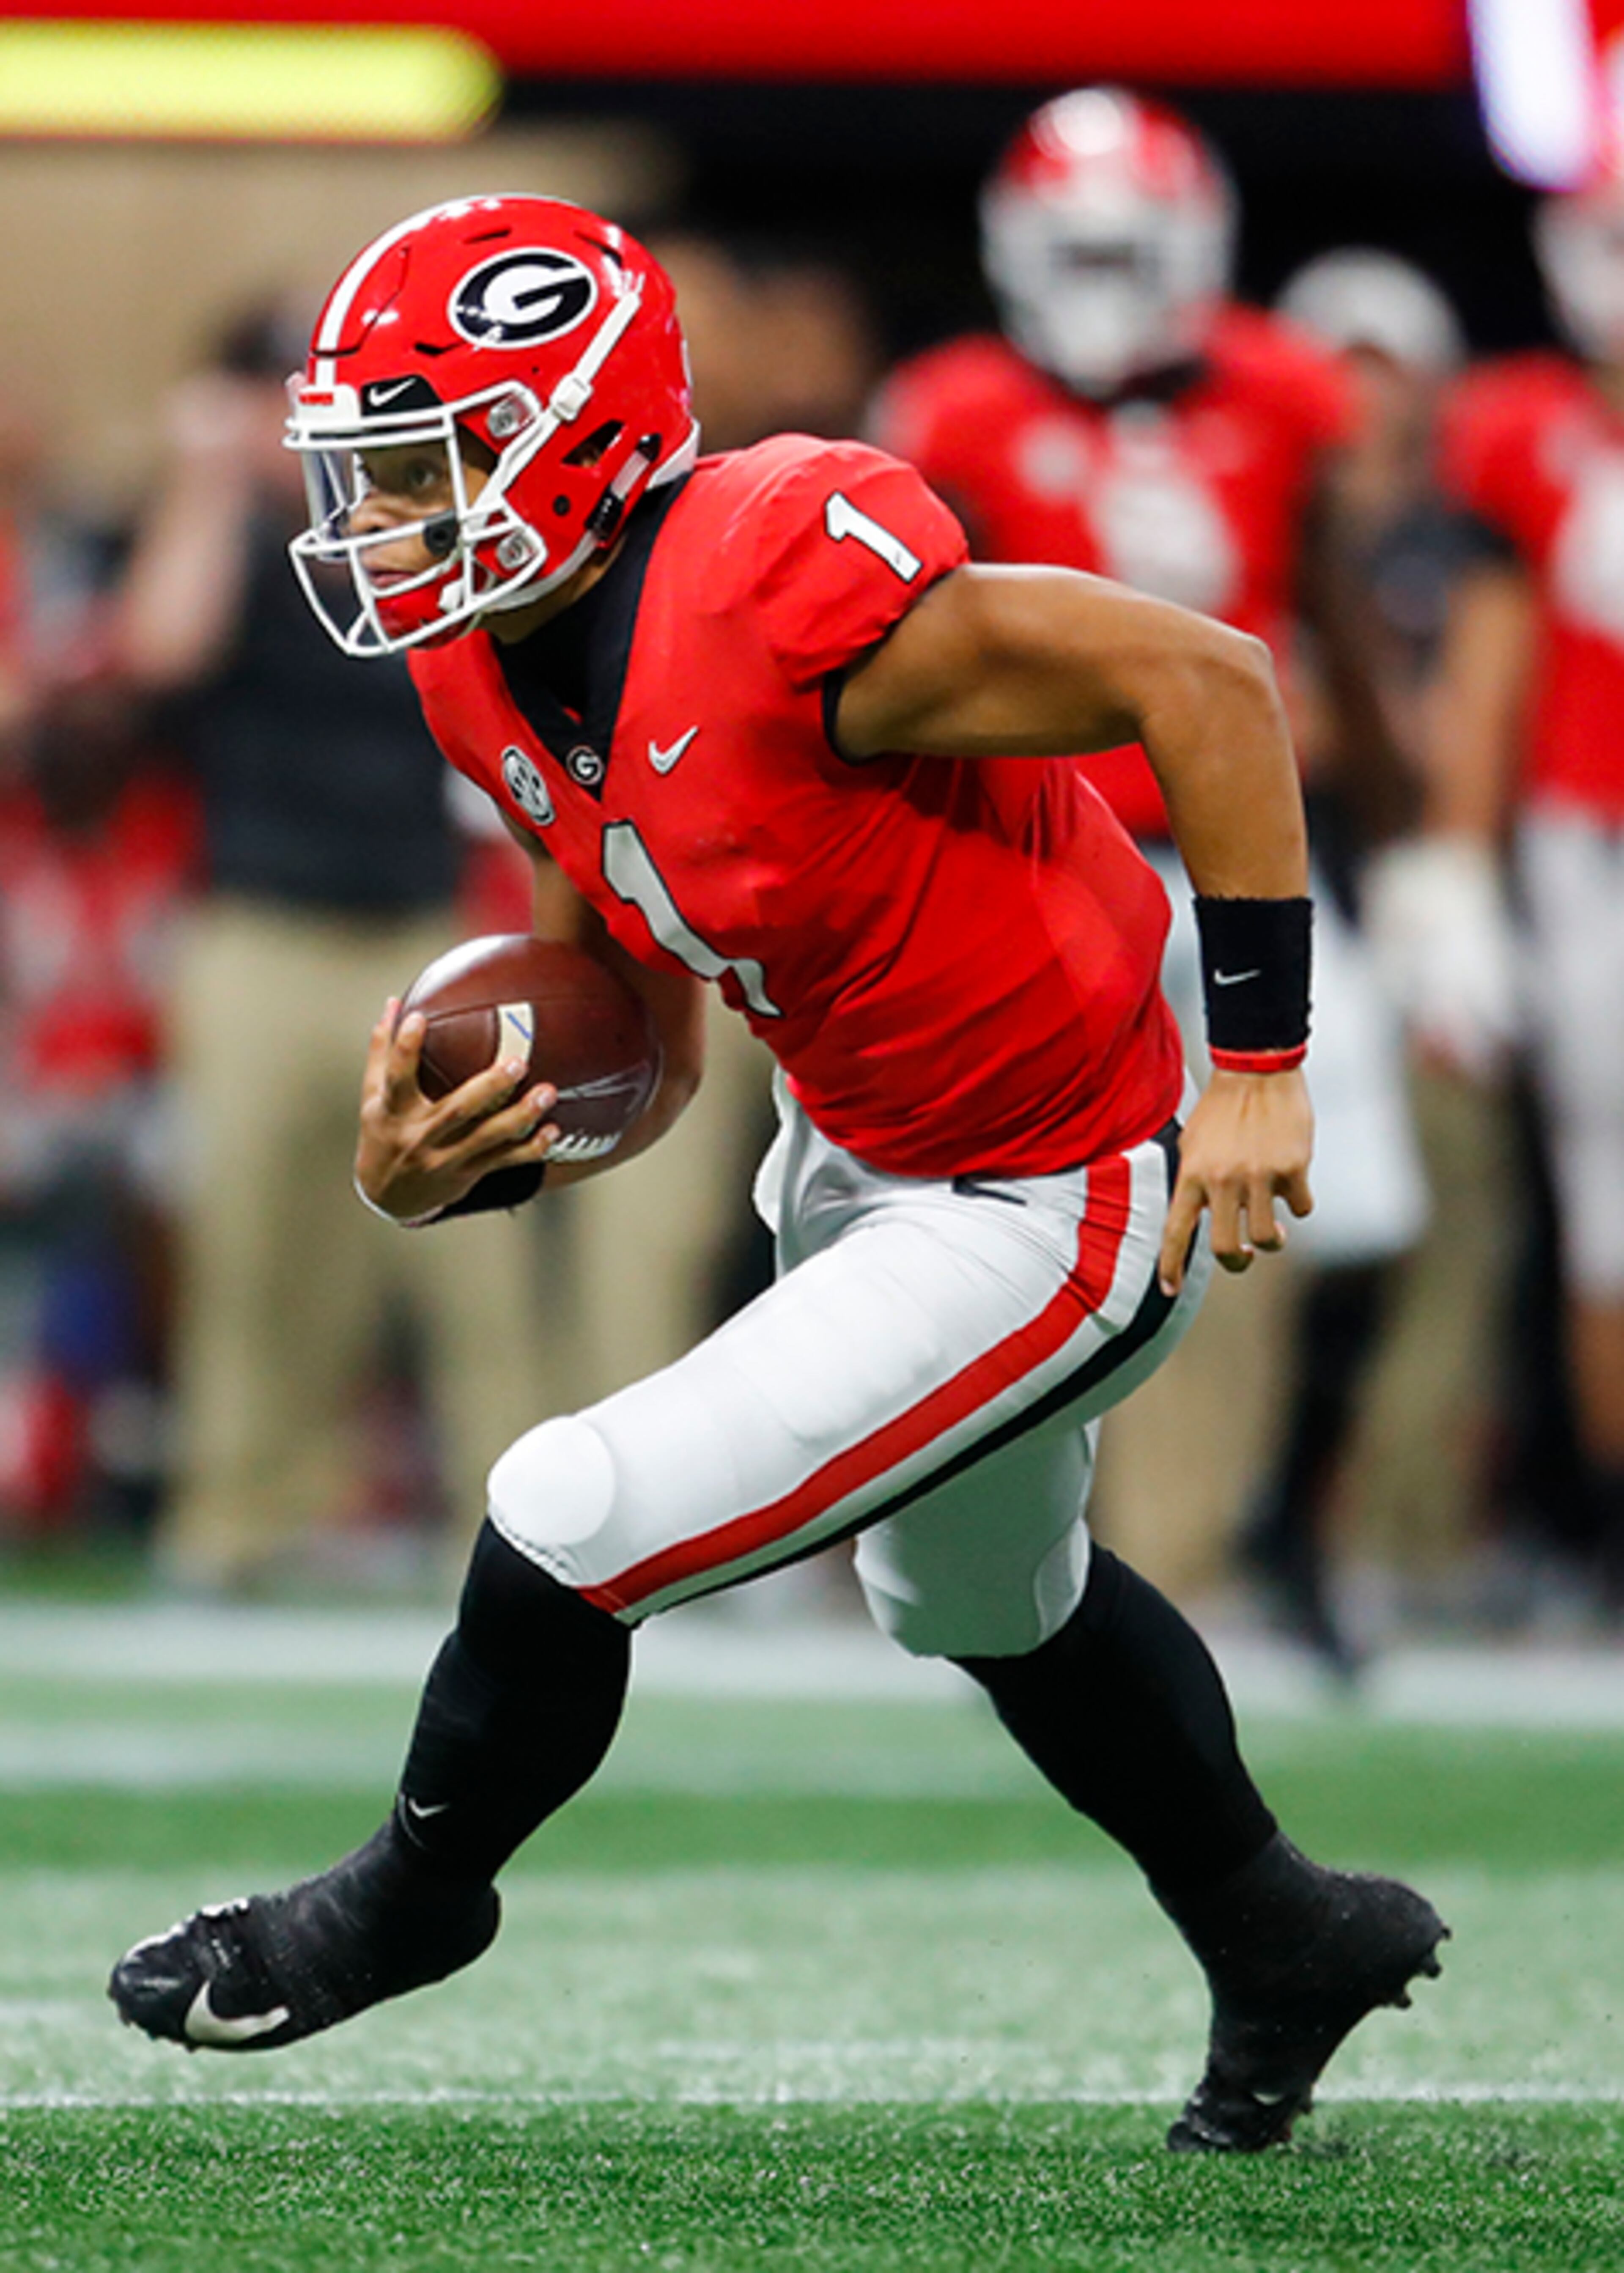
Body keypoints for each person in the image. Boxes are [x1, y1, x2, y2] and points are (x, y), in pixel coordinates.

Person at [107, 195, 1445, 2154]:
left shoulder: (775, 579)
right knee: (989, 1600)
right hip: (864, 1146)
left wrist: (1261, 1063)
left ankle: (405, 1898)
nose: (385, 521)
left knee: (574, 1505)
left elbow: (1214, 683)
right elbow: (645, 1033)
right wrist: (463, 1156)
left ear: (571, 439)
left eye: (425, 465)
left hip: (1060, 1179)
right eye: (365, 476)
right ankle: (1281, 1929)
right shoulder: (486, 666)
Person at [870, 90, 1430, 1670]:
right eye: (1082, 249)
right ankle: (958, 1533)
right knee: (991, 1210)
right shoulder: (955, 411)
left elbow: (1338, 625)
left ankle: (1295, 1529)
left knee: (1367, 1215)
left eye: (1134, 248)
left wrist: (1430, 853)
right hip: (1051, 862)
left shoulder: (1279, 390)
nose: (1108, 283)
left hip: (1255, 862)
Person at [114, 308, 557, 1592]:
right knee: (251, 1251)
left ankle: (524, 1531)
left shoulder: (417, 539)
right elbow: (159, 648)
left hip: (421, 937)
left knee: (477, 1249)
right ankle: (236, 1525)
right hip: (254, 930)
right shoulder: (233, 540)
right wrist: (203, 477)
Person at [1423, 163, 1624, 1604]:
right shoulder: (1530, 431)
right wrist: (1454, 864)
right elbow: (1489, 683)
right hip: (1591, 843)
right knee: (1611, 1209)